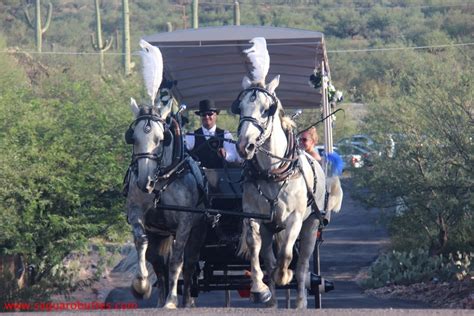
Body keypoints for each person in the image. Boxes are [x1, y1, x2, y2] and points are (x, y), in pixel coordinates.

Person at [185, 99, 241, 168]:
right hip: (198, 176)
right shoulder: (191, 136)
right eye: (203, 114)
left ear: (215, 115)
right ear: (200, 117)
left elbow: (233, 156)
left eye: (210, 114)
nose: (207, 117)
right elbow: (184, 153)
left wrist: (225, 155)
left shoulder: (225, 135)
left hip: (221, 175)